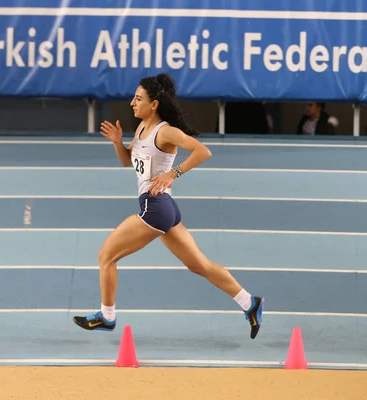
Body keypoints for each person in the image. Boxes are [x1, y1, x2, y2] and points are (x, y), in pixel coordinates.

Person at [72, 73, 265, 339]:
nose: (132, 103)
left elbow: (202, 151)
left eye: (138, 99)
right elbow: (128, 162)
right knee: (199, 265)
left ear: (154, 104)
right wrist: (118, 142)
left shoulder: (166, 132)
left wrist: (172, 174)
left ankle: (107, 316)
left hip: (155, 208)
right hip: (165, 209)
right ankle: (250, 303)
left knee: (106, 256)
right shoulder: (141, 129)